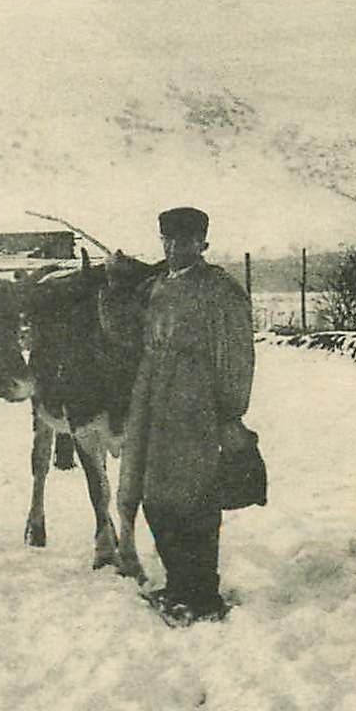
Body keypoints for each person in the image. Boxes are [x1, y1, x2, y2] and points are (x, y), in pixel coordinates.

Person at [122, 206, 255, 625]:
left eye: (184, 241)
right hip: (152, 400)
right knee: (154, 495)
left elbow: (236, 357)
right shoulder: (156, 287)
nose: (175, 248)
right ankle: (179, 585)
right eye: (168, 241)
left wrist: (230, 413)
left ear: (202, 244)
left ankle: (201, 594)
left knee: (195, 499)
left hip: (196, 403)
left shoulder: (220, 290)